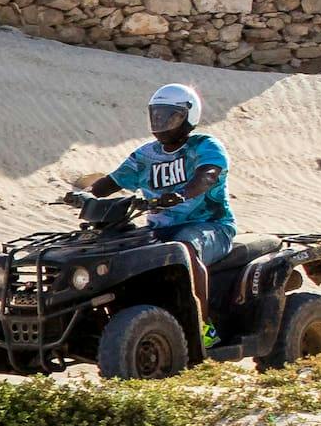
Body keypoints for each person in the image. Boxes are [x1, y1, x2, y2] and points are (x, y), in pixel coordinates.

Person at [91, 81, 232, 331]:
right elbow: (111, 183)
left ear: (189, 116)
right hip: (157, 231)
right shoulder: (145, 155)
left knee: (185, 249)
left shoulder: (205, 145)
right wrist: (83, 193)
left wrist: (181, 195)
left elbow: (208, 175)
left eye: (170, 117)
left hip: (210, 227)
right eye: (156, 116)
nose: (161, 123)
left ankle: (203, 326)